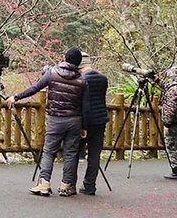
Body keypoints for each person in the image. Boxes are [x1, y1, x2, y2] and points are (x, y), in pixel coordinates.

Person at [6, 46, 86, 197]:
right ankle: (66, 186)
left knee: (49, 151)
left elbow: (35, 88)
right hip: (75, 120)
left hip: (56, 119)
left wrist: (16, 97)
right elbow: (85, 106)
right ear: (79, 63)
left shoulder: (52, 74)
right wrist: (84, 126)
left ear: (65, 57)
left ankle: (44, 184)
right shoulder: (82, 81)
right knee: (70, 153)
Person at [79, 61, 109, 195]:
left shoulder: (82, 80)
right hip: (100, 119)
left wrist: (82, 125)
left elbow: (82, 102)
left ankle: (69, 183)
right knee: (94, 154)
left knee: (74, 152)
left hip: (85, 121)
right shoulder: (103, 78)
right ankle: (90, 185)